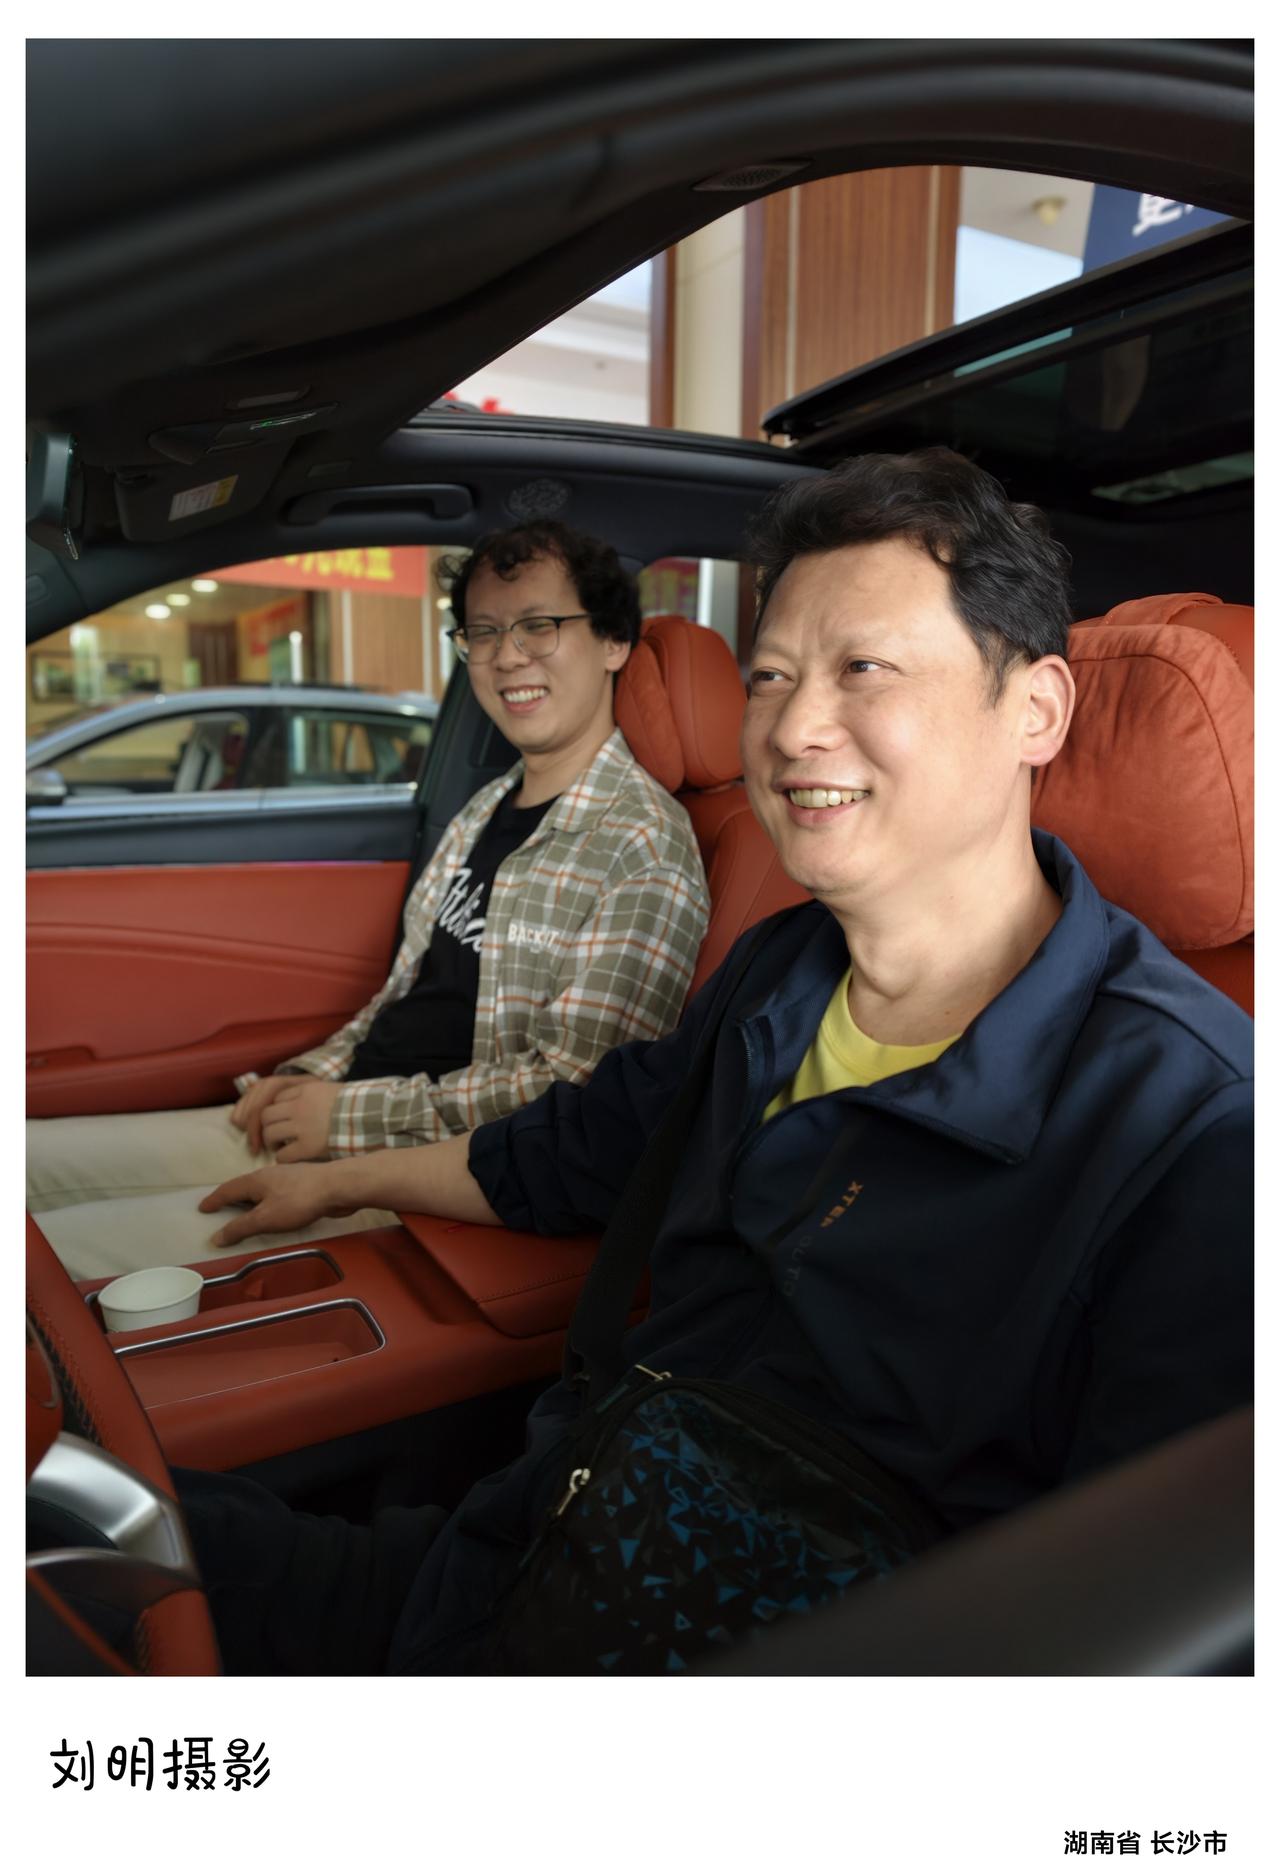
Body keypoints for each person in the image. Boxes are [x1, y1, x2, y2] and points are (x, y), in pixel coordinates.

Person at [179, 449, 1251, 1676]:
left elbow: (1132, 1641)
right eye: (770, 677)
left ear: (1035, 711)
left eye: (863, 669)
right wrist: (335, 1181)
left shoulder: (1193, 1132)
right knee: (105, 1545)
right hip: (538, 1542)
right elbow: (578, 1146)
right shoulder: (780, 970)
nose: (791, 728)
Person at [27, 521, 710, 1278]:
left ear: (612, 641)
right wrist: (311, 1080)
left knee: (42, 1264)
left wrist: (344, 1119)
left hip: (425, 1182)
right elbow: (403, 995)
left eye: (538, 625)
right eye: (483, 632)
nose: (508, 654)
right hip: (341, 1121)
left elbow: (569, 1100)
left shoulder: (641, 846)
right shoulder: (487, 807)